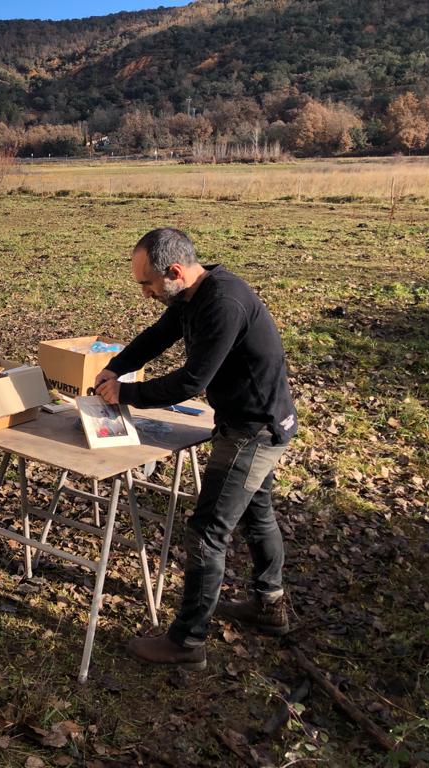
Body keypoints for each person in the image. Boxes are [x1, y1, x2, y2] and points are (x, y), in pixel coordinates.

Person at [95, 227, 297, 670]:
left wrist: (125, 395)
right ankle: (270, 606)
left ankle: (187, 642)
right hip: (251, 418)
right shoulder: (191, 295)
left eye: (148, 284)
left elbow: (191, 382)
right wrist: (116, 366)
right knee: (256, 512)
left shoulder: (223, 303)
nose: (146, 293)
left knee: (207, 531)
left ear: (174, 271)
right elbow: (156, 336)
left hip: (253, 429)